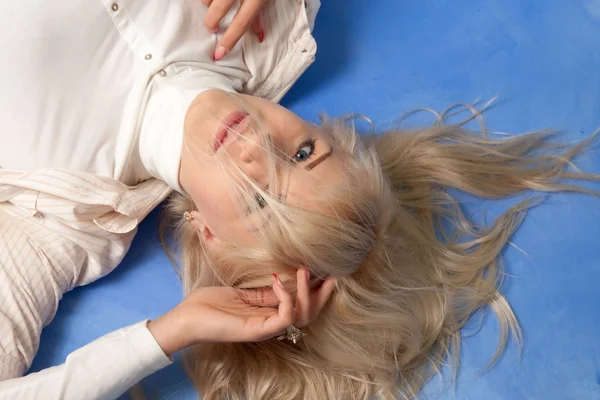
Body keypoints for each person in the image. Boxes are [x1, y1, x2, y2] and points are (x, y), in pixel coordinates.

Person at [1, 3, 598, 400]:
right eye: (306, 153)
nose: (258, 149)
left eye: (262, 203)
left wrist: (165, 335)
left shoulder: (60, 222)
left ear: (209, 235)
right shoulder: (278, 25)